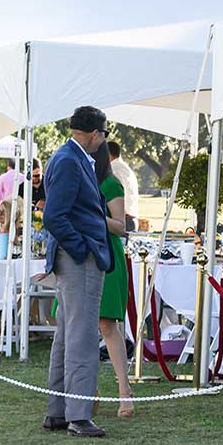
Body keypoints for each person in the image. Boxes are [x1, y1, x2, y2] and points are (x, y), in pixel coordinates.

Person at [40, 107, 115, 435]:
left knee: (67, 336)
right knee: (82, 336)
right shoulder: (71, 160)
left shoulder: (67, 156)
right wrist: (81, 247)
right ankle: (79, 416)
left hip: (72, 257)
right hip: (78, 258)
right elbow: (54, 216)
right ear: (96, 133)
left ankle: (58, 411)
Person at [94, 143, 137, 418]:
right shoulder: (77, 181)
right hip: (80, 256)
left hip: (107, 256)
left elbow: (121, 227)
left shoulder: (111, 184)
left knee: (108, 324)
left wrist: (94, 216)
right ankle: (88, 391)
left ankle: (125, 392)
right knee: (79, 329)